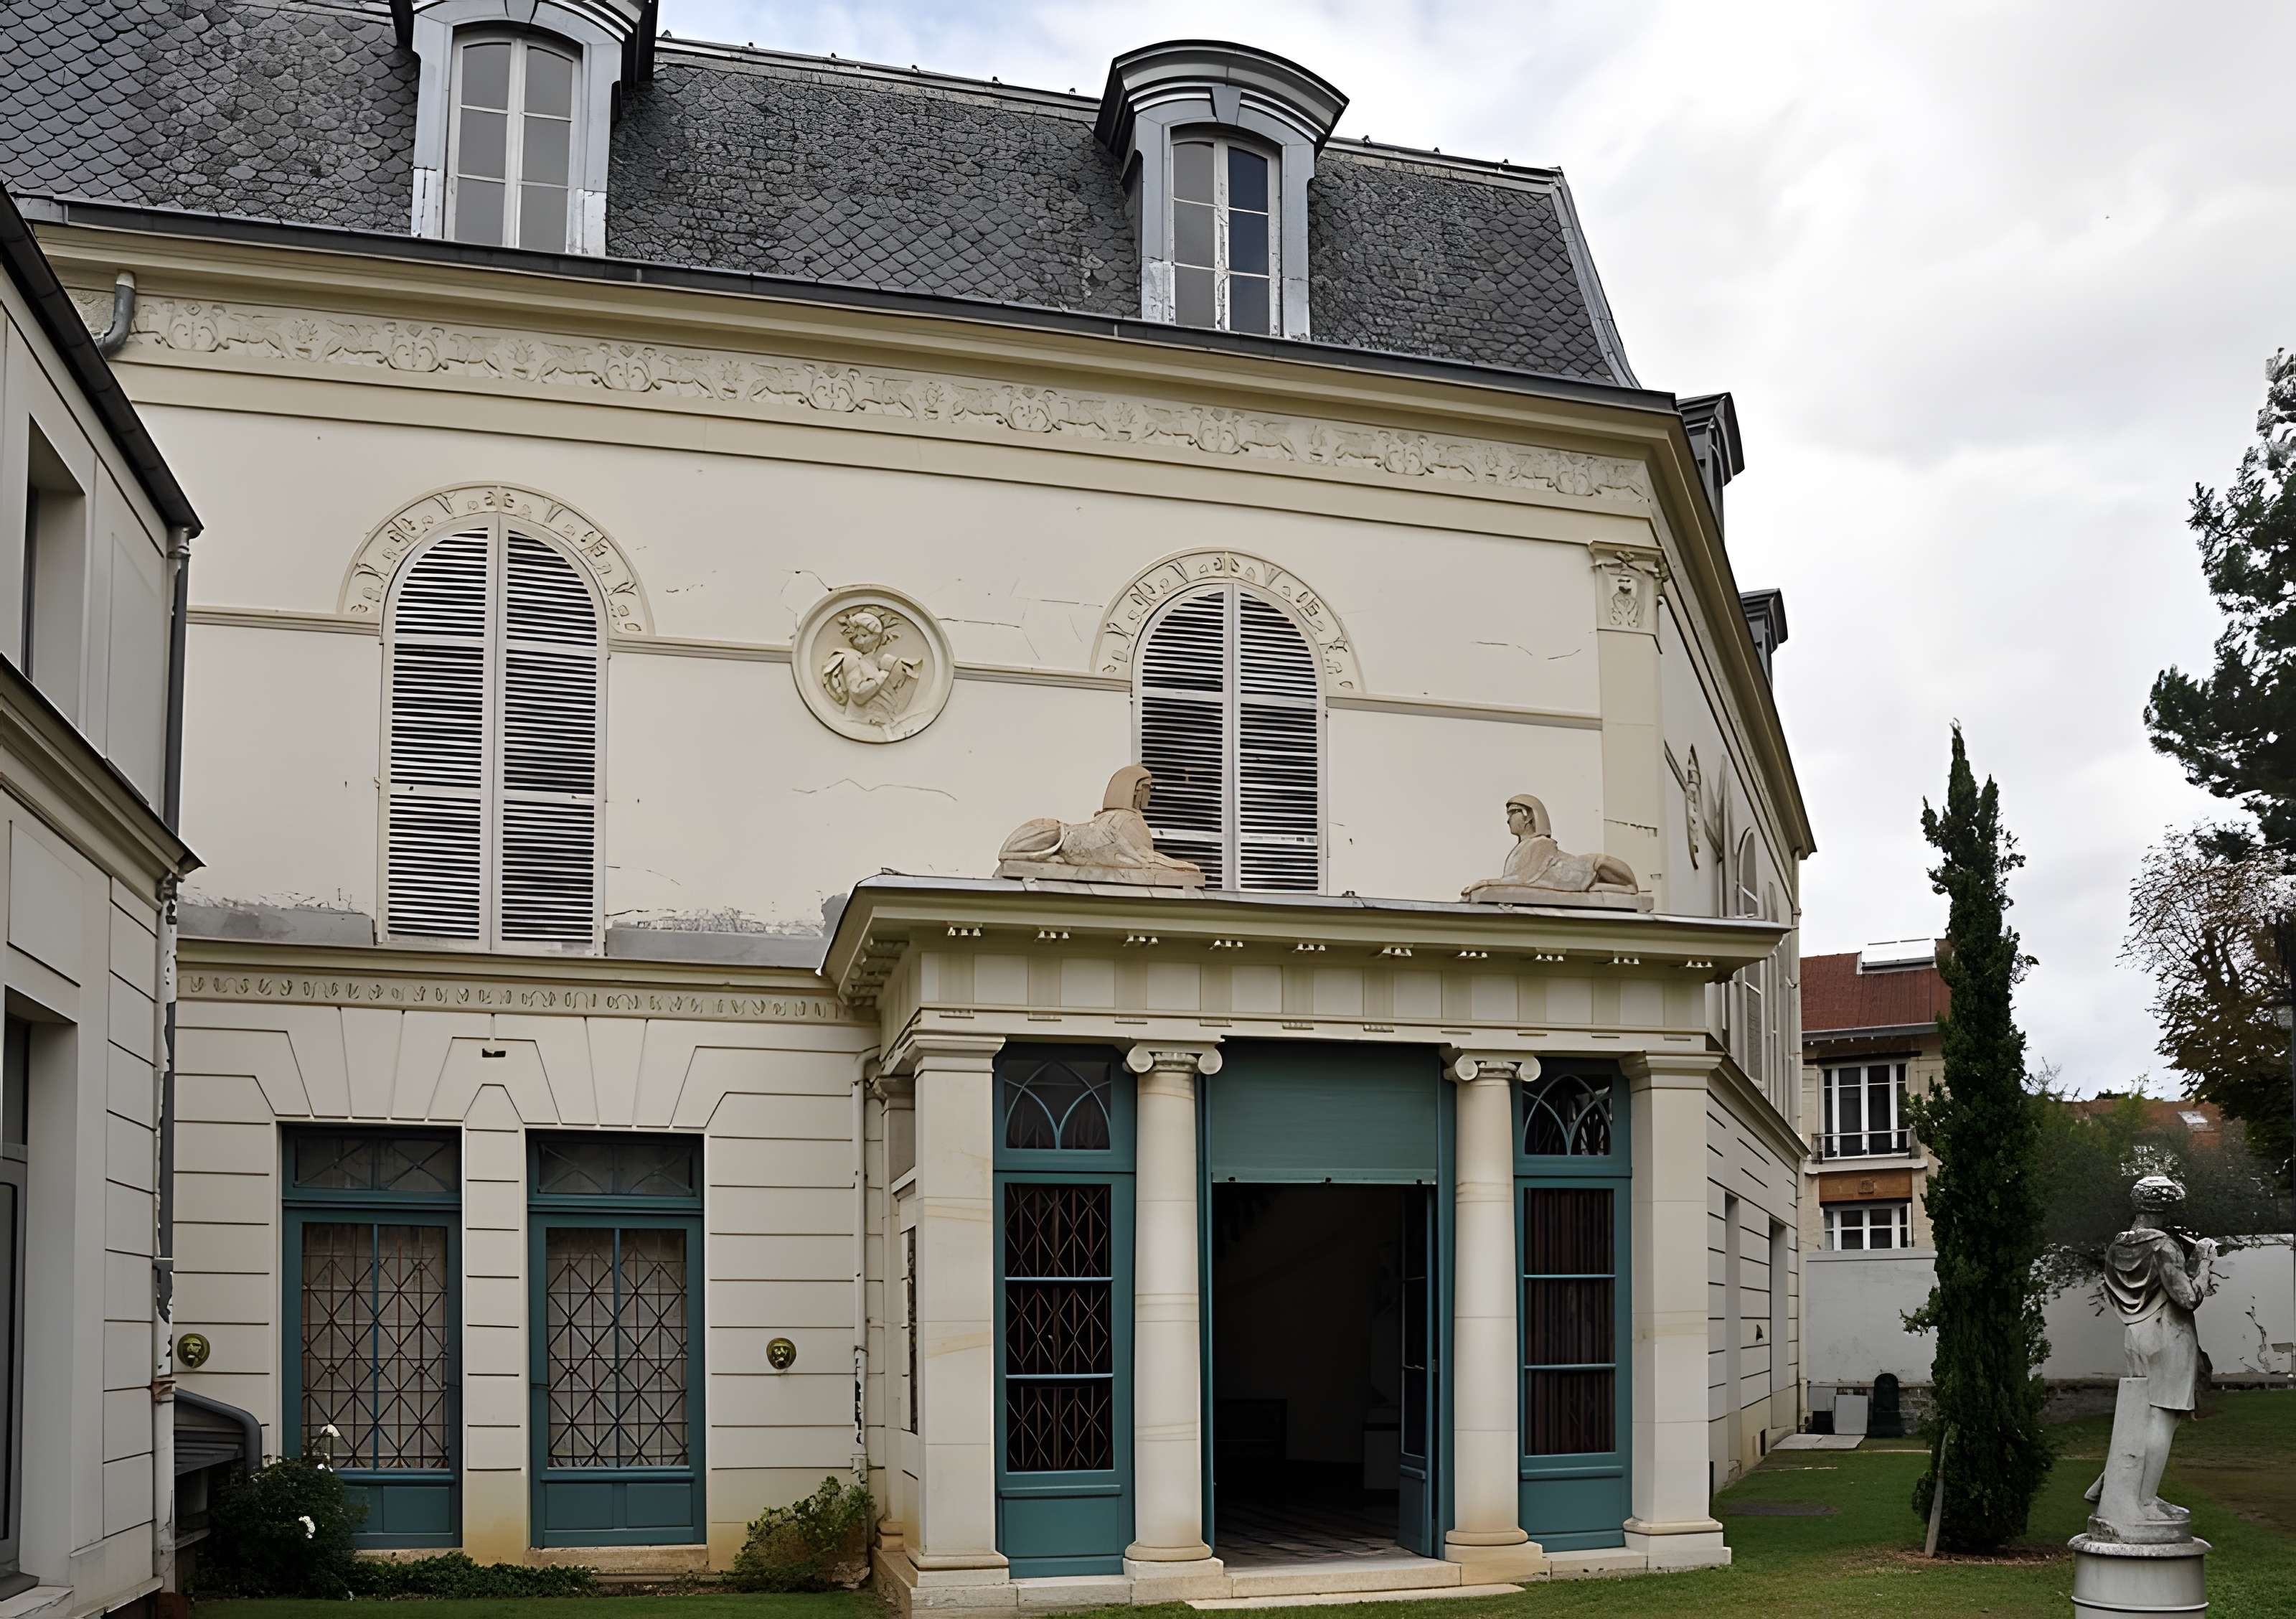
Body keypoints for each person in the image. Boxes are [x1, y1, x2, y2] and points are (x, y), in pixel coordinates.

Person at [2086, 1174, 2218, 1525]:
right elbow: (2188, 1298)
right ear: (2166, 1209)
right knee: (2163, 1416)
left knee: (2140, 1416)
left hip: (2136, 1334)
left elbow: (2141, 1288)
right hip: (2168, 1333)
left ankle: (2120, 1485)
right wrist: (2204, 1262)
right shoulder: (2163, 1245)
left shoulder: (2118, 1246)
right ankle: (2143, 1500)